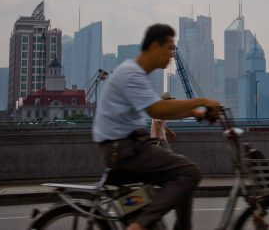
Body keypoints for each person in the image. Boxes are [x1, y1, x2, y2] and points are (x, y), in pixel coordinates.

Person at [92, 23, 221, 230]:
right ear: (154, 46)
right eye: (169, 48)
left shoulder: (136, 73)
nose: (172, 54)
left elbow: (162, 108)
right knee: (189, 173)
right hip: (125, 149)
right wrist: (201, 101)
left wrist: (194, 113)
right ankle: (139, 225)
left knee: (181, 180)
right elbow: (157, 110)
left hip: (128, 146)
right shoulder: (130, 73)